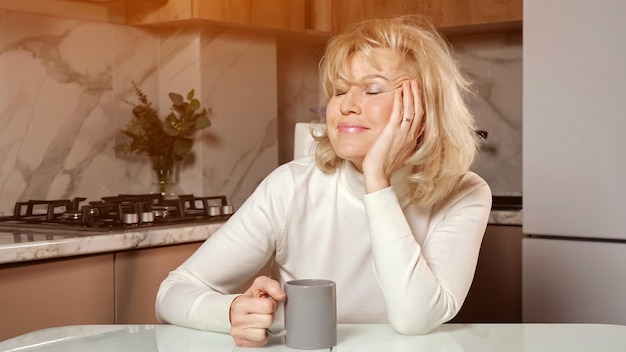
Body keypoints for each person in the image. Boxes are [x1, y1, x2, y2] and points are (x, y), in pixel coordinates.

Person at [155, 14, 492, 348]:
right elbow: (172, 292)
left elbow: (415, 319)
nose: (347, 105)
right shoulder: (290, 186)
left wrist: (378, 179)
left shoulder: (465, 193)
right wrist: (231, 311)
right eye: (340, 90)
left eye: (372, 89)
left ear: (422, 109)